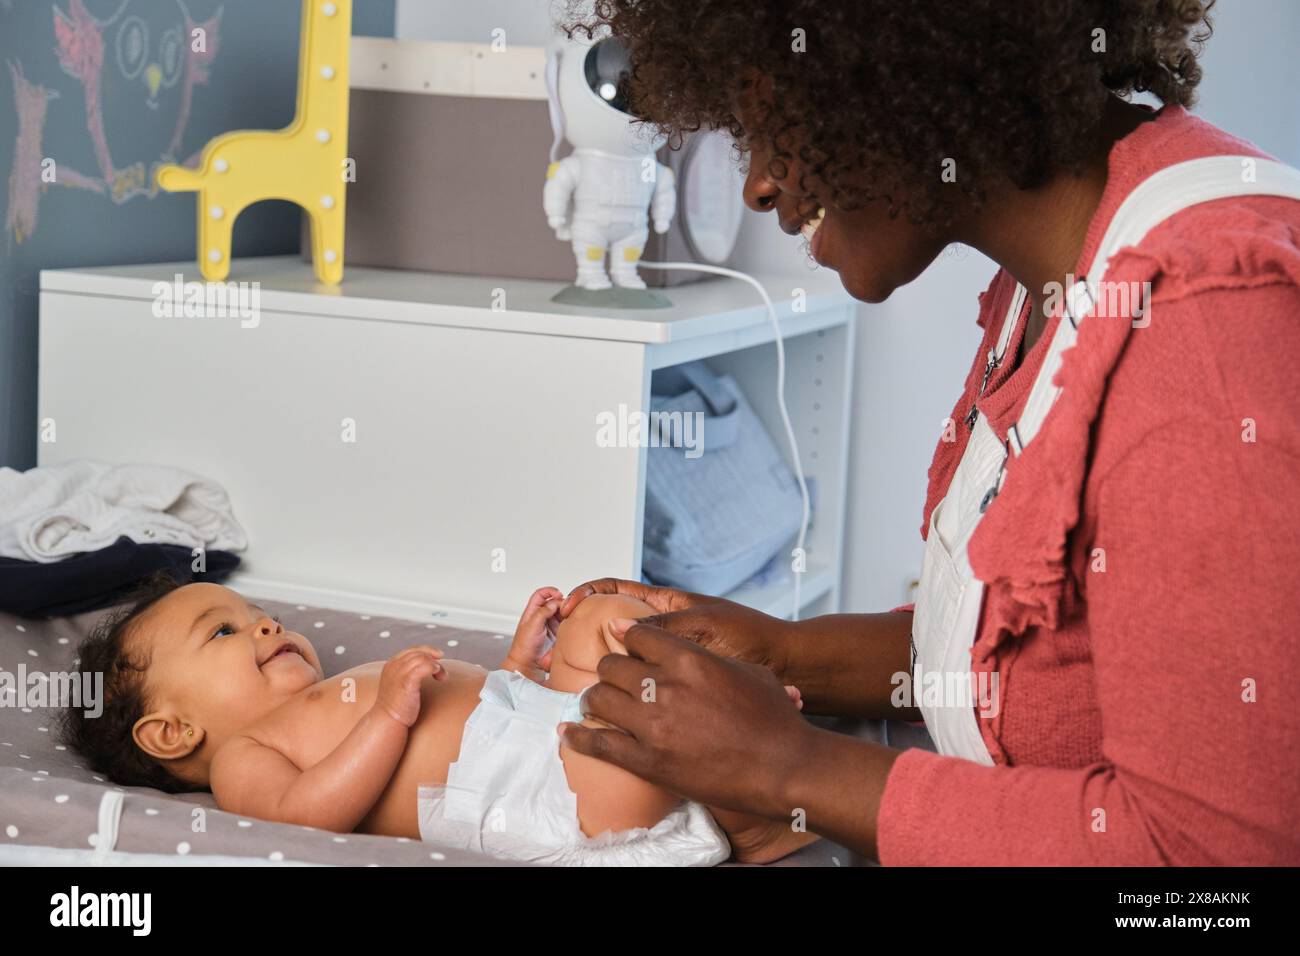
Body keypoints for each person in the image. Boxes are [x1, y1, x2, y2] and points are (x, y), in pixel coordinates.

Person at [554, 0, 1300, 864]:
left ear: (898, 73)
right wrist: (787, 651)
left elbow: (1211, 871)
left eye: (771, 117)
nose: (759, 183)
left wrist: (791, 771)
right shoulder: (1064, 269)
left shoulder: (1203, 329)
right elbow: (1050, 658)